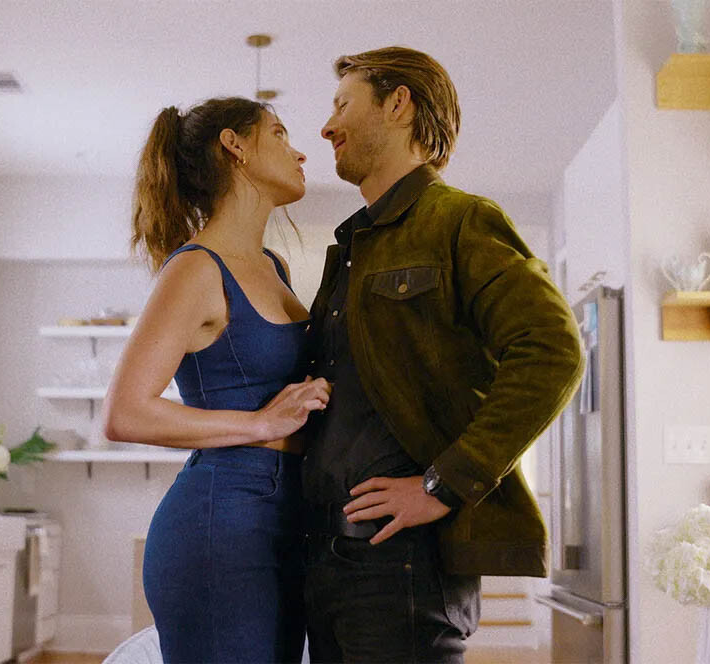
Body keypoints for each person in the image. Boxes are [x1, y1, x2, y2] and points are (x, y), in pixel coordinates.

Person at [300, 47, 586, 663]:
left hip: (401, 566)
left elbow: (553, 349)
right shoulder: (351, 246)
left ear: (398, 104)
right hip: (325, 564)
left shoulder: (461, 221)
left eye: (343, 105)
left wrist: (443, 484)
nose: (326, 127)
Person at [103, 97, 330, 663]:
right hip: (221, 521)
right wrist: (260, 424)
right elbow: (125, 412)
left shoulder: (272, 266)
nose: (300, 152)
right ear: (236, 146)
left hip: (285, 514)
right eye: (279, 133)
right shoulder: (196, 268)